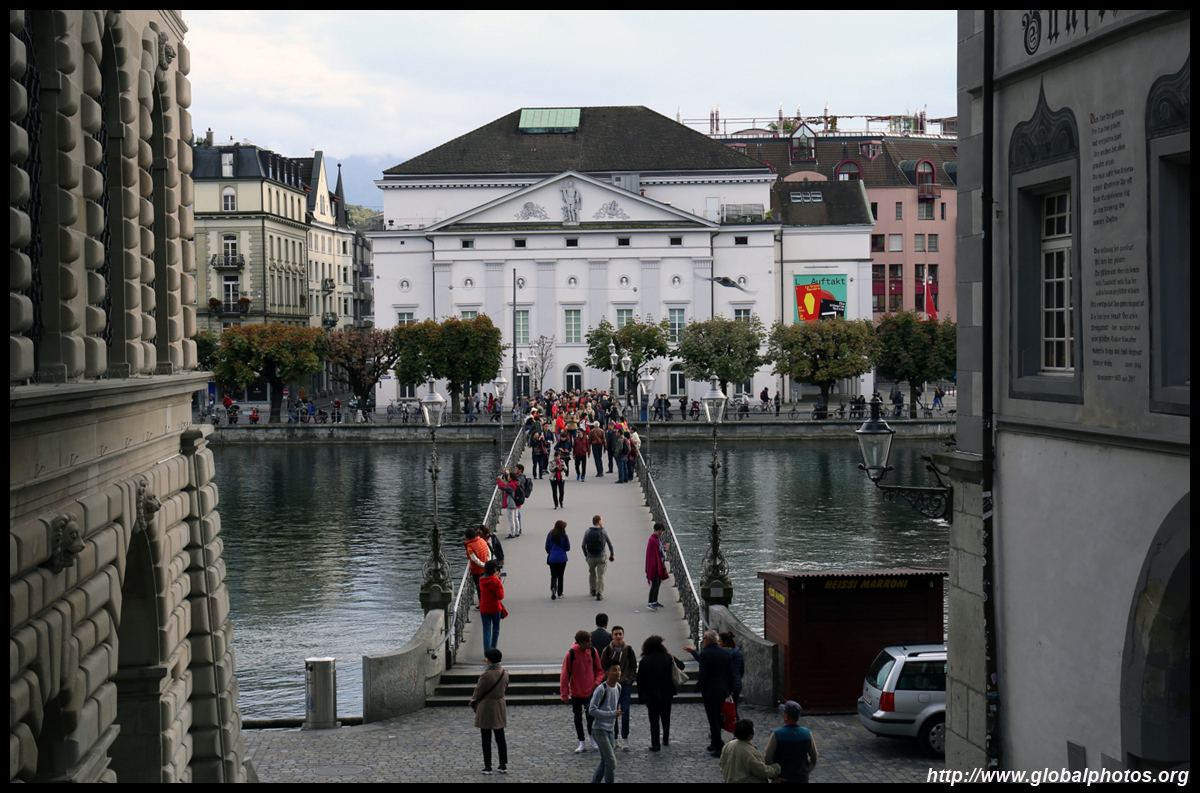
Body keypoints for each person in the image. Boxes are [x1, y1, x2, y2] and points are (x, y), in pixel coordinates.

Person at [684, 629, 735, 756]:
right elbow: (730, 673)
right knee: (718, 716)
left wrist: (701, 687)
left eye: (704, 639)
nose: (703, 641)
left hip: (710, 691)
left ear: (710, 640)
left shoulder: (706, 654)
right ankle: (715, 742)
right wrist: (730, 689)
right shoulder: (725, 653)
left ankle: (718, 744)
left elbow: (703, 675)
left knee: (713, 718)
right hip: (722, 689)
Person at [636, 634, 685, 751]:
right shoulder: (667, 657)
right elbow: (681, 666)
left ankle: (655, 744)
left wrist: (641, 698)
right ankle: (666, 738)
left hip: (651, 694)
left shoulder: (644, 661)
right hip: (667, 692)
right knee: (666, 717)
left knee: (654, 720)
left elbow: (640, 681)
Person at [560, 630, 604, 753]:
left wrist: (596, 683)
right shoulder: (571, 654)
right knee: (578, 718)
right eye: (587, 642)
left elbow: (600, 670)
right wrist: (564, 694)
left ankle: (592, 738)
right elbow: (564, 675)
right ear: (580, 642)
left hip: (590, 691)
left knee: (591, 717)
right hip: (576, 692)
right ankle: (581, 742)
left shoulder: (593, 652)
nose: (590, 643)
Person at [472, 647, 509, 774]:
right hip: (499, 705)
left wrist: (473, 702)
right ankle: (503, 764)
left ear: (490, 660)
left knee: (486, 738)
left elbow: (478, 691)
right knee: (500, 737)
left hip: (487, 706)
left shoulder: (485, 675)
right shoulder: (505, 673)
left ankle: (488, 766)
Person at [600, 626, 638, 752]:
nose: (618, 636)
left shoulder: (629, 649)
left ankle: (625, 738)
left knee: (625, 710)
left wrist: (629, 680)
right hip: (612, 684)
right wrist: (607, 680)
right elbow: (602, 666)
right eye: (616, 634)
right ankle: (615, 737)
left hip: (625, 684)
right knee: (613, 711)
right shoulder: (607, 650)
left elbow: (633, 666)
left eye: (620, 634)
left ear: (623, 635)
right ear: (612, 636)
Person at [764, 701, 819, 784]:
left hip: (782, 778)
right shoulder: (807, 733)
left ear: (786, 716)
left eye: (783, 713)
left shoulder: (777, 734)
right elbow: (814, 755)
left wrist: (773, 776)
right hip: (801, 778)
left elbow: (767, 757)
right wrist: (807, 769)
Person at [588, 662, 624, 783]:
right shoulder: (601, 689)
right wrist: (612, 714)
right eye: (614, 670)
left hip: (610, 730)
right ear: (607, 673)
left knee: (605, 761)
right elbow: (592, 710)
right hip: (599, 729)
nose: (618, 672)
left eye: (619, 670)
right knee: (611, 761)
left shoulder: (618, 687)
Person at [719, 719, 781, 783]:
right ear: (750, 735)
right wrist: (777, 768)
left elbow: (722, 764)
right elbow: (762, 771)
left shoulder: (728, 745)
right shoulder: (750, 752)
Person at [582, 515, 615, 601]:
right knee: (601, 576)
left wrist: (586, 555)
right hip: (601, 556)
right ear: (598, 522)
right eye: (602, 520)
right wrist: (612, 554)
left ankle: (593, 590)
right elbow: (610, 544)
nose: (603, 522)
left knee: (592, 573)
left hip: (590, 557)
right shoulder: (604, 531)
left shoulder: (587, 531)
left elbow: (583, 545)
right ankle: (599, 593)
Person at [478, 560, 505, 653]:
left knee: (486, 631)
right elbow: (500, 596)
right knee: (495, 629)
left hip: (484, 608)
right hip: (495, 608)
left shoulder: (481, 580)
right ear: (494, 570)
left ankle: (487, 652)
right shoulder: (496, 581)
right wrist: (500, 582)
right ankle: (493, 650)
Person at [719, 632, 745, 715]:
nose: (717, 643)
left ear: (724, 643)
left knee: (721, 709)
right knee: (734, 708)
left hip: (724, 684)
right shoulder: (739, 653)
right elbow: (741, 670)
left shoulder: (722, 654)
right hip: (737, 683)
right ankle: (735, 722)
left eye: (719, 641)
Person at [645, 523, 670, 610]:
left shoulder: (657, 539)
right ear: (655, 530)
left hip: (658, 564)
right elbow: (652, 555)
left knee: (658, 583)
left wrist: (664, 549)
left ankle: (655, 601)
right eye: (659, 530)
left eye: (662, 531)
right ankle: (650, 602)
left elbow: (658, 550)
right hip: (654, 566)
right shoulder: (653, 540)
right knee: (655, 584)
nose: (661, 532)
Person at [545, 519, 570, 600]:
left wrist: (551, 552)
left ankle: (553, 587)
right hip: (562, 558)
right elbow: (567, 548)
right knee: (560, 576)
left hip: (552, 558)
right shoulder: (564, 536)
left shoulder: (550, 535)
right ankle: (560, 593)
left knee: (553, 575)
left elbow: (547, 547)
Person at [464, 527, 490, 602]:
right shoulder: (482, 540)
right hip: (486, 568)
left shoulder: (470, 546)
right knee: (486, 586)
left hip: (477, 570)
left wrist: (483, 565)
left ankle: (482, 603)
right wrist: (487, 563)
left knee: (479, 588)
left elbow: (475, 559)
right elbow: (489, 552)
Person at [497, 469, 521, 539]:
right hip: (516, 503)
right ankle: (517, 532)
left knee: (511, 519)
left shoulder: (511, 485)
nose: (507, 477)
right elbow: (506, 486)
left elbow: (502, 487)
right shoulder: (516, 483)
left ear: (511, 478)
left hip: (511, 504)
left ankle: (512, 533)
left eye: (508, 476)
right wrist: (503, 483)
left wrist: (499, 481)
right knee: (516, 518)